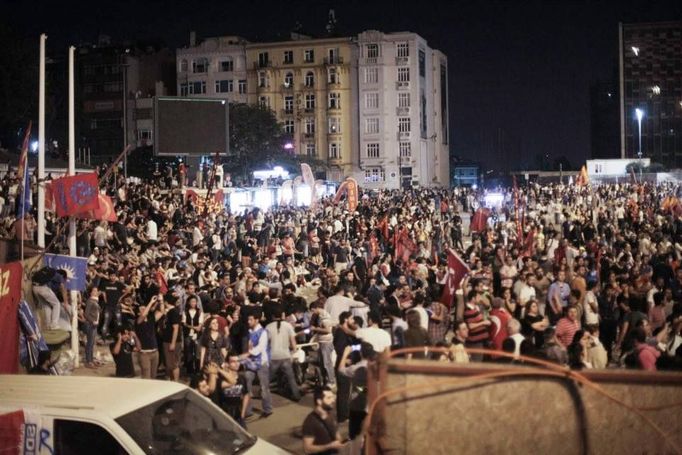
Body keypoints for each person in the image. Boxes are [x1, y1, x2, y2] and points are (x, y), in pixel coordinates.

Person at [337, 342, 375, 441]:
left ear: (361, 353)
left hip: (356, 405)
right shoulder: (375, 367)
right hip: (370, 405)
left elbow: (341, 370)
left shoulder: (355, 368)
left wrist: (345, 354)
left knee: (354, 434)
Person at [240, 310, 273, 418]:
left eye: (251, 319)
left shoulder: (263, 332)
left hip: (262, 363)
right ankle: (248, 410)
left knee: (264, 388)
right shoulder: (250, 331)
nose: (248, 321)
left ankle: (267, 409)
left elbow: (260, 348)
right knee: (246, 385)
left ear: (257, 320)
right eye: (248, 319)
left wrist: (246, 354)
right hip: (251, 363)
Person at [266, 305, 301, 402]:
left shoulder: (268, 327)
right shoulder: (288, 325)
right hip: (285, 355)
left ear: (272, 316)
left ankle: (262, 392)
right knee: (291, 378)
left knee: (268, 377)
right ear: (282, 315)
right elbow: (293, 341)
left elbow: (266, 343)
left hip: (273, 356)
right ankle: (296, 395)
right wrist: (294, 351)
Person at [302, 386, 347, 455]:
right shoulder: (310, 422)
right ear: (319, 401)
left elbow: (336, 434)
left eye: (333, 397)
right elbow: (307, 449)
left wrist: (342, 443)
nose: (333, 400)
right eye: (329, 398)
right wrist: (329, 446)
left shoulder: (330, 414)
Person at [135, 294, 162, 379]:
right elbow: (143, 316)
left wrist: (161, 301)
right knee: (146, 377)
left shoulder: (151, 320)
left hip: (155, 352)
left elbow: (161, 312)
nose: (144, 310)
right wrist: (151, 302)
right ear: (138, 313)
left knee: (153, 377)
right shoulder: (138, 322)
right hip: (144, 354)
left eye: (144, 308)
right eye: (142, 309)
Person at [161, 292, 183, 381]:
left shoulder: (173, 312)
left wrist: (173, 343)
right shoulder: (169, 311)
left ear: (166, 302)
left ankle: (176, 382)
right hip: (167, 340)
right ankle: (172, 380)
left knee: (174, 364)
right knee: (170, 364)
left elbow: (176, 328)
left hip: (172, 341)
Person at [83, 286, 100, 369]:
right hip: (90, 324)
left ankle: (91, 360)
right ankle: (88, 361)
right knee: (90, 343)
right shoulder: (90, 301)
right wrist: (92, 321)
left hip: (94, 324)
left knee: (92, 343)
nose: (96, 292)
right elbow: (86, 314)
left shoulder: (95, 300)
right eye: (94, 291)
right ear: (90, 292)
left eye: (96, 291)